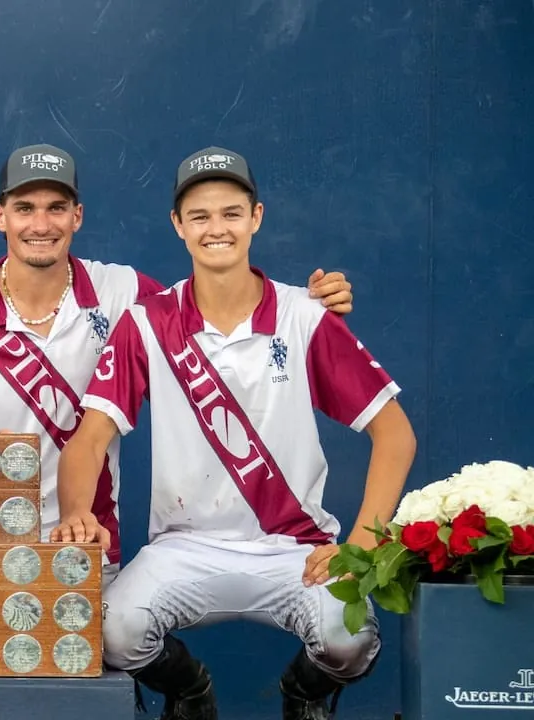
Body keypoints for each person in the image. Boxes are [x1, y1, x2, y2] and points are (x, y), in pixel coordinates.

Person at [51, 146, 417, 719]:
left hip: (294, 548)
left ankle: (303, 695)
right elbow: (89, 438)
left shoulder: (305, 315)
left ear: (256, 218)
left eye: (230, 213)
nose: (216, 228)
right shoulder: (147, 322)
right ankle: (189, 691)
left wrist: (364, 543)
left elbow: (395, 434)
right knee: (112, 632)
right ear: (177, 225)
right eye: (199, 216)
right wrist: (78, 511)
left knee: (349, 641)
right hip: (185, 546)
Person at [0, 142, 355, 582]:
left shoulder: (124, 292)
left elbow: (215, 306)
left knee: (112, 648)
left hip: (89, 540)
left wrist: (307, 307)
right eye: (25, 209)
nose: (41, 225)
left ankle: (191, 680)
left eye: (56, 208)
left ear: (78, 216)